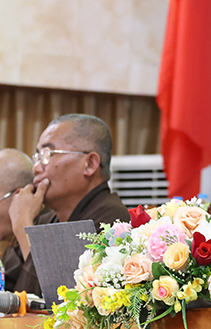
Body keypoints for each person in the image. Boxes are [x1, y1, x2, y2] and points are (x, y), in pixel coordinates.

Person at [8, 114, 130, 295]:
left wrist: (23, 227)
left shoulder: (112, 221)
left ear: (89, 164)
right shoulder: (46, 221)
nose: (36, 168)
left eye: (48, 155)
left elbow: (57, 301)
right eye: (38, 156)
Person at [0, 149, 52, 294]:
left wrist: (23, 227)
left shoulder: (50, 232)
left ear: (18, 197)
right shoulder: (13, 246)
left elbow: (48, 297)